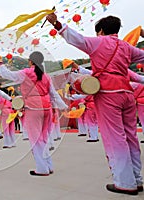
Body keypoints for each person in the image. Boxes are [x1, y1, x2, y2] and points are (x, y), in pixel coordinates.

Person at [46, 14, 144, 195]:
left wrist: (57, 24)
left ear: (100, 30)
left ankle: (125, 182)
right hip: (127, 94)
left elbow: (76, 39)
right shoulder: (127, 47)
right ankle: (137, 180)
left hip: (108, 95)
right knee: (131, 137)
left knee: (115, 139)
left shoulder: (98, 42)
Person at [0, 51, 68, 176]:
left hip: (33, 108)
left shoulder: (26, 73)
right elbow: (53, 94)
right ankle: (48, 165)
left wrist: (1, 65)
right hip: (46, 108)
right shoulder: (46, 76)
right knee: (44, 139)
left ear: (30, 61)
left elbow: (9, 75)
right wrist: (63, 106)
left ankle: (42, 168)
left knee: (36, 140)